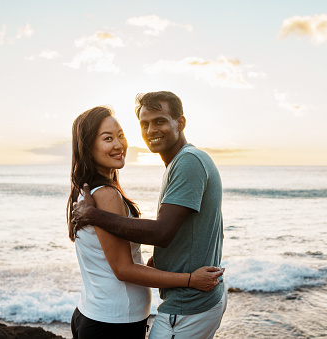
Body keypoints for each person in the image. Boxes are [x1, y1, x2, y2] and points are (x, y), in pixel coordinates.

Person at [72, 91, 226, 339]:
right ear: (88, 147)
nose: (119, 144)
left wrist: (94, 215)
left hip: (107, 315)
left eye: (120, 136)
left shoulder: (185, 162)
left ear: (181, 123)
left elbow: (162, 233)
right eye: (145, 124)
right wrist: (188, 279)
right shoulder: (106, 195)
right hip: (113, 321)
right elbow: (123, 268)